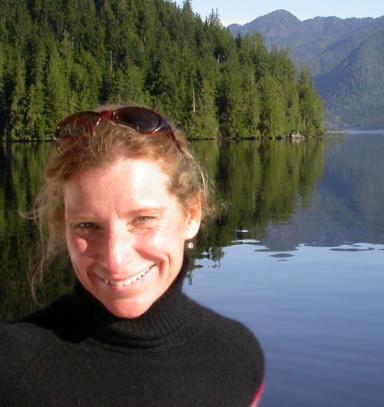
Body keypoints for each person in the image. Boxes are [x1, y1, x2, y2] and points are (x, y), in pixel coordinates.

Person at [0, 105, 265, 406]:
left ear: (191, 214)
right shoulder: (11, 370)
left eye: (143, 219)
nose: (115, 259)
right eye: (87, 226)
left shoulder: (237, 358)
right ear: (64, 226)